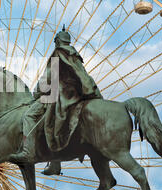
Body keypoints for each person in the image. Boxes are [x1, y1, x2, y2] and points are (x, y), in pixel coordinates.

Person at [10, 26, 102, 175]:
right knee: (55, 121)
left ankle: (27, 152)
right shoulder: (75, 56)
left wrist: (36, 93)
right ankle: (55, 163)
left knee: (30, 116)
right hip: (78, 94)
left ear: (58, 41)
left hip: (61, 94)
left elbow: (48, 78)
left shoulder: (58, 54)